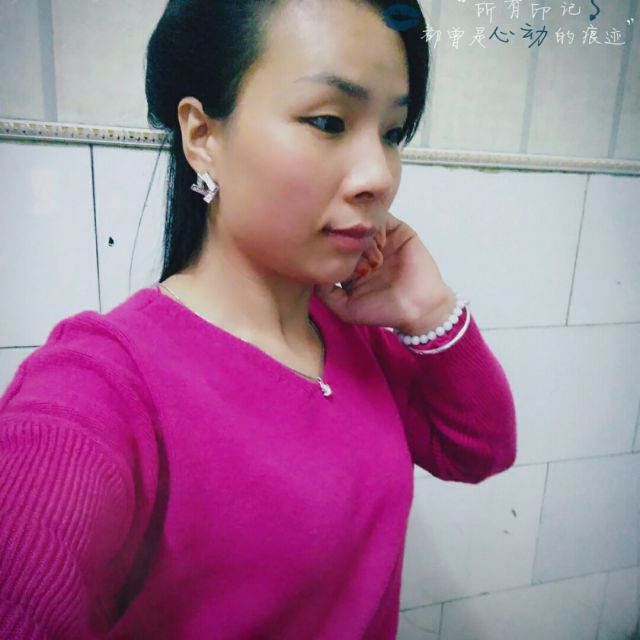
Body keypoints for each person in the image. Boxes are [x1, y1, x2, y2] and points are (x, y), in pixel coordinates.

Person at [0, 0, 517, 638]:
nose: (379, 177)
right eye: (329, 121)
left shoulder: (355, 336)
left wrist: (429, 311)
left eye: (392, 132)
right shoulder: (105, 383)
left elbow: (478, 452)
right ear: (202, 136)